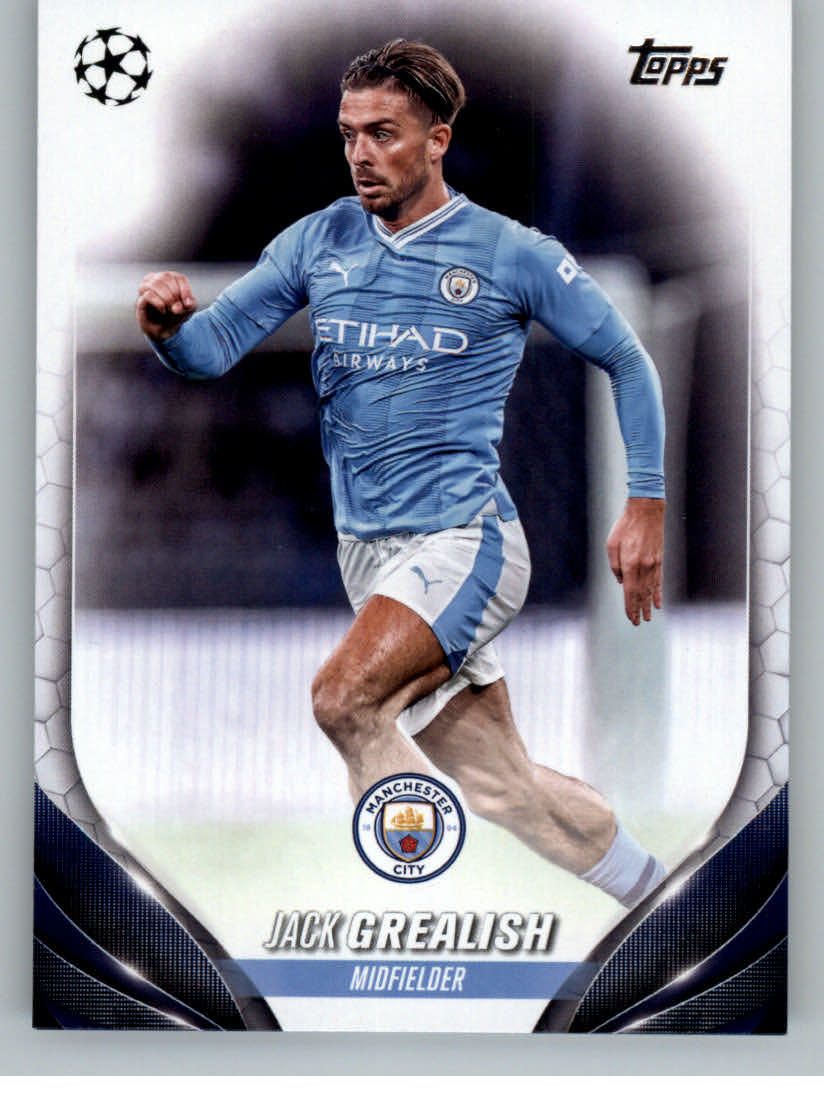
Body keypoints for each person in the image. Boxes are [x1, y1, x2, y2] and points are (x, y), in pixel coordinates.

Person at [136, 40, 667, 908]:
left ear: (437, 139)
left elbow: (628, 359)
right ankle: (665, 899)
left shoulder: (508, 252)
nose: (360, 153)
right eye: (349, 133)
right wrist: (167, 332)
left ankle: (404, 910)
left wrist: (645, 503)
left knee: (344, 700)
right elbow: (212, 349)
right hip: (370, 556)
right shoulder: (320, 240)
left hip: (464, 541)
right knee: (506, 791)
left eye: (383, 133)